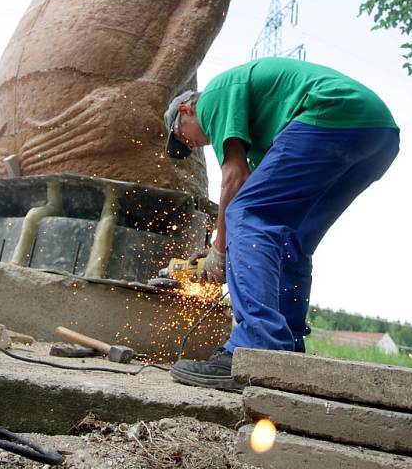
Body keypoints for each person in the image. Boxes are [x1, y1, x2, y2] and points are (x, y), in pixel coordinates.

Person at [163, 57, 399, 391]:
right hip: (377, 134)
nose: (190, 145)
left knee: (247, 214)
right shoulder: (261, 139)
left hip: (330, 114)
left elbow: (234, 181)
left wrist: (218, 250)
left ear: (186, 110)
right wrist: (225, 251)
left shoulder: (214, 95)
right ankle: (286, 352)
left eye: (181, 137)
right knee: (290, 239)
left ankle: (255, 347)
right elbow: (258, 203)